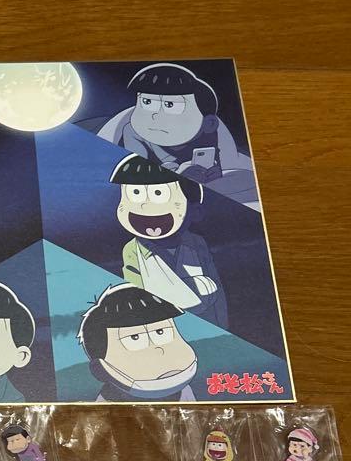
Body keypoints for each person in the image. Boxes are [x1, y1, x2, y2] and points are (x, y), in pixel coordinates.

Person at [96, 62, 254, 197]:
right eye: (147, 102)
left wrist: (214, 173)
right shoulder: (132, 132)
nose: (155, 115)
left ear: (209, 124)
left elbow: (225, 166)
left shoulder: (213, 135)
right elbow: (137, 174)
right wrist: (177, 177)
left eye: (170, 105)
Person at [109, 153, 226, 327]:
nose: (144, 205)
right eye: (135, 193)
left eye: (159, 194)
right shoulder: (133, 250)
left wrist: (222, 324)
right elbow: (137, 293)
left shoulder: (196, 243)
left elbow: (216, 288)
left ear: (196, 212)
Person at [77, 284, 197, 402]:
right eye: (134, 338)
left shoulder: (183, 391)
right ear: (100, 368)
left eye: (160, 332)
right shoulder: (107, 402)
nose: (158, 350)